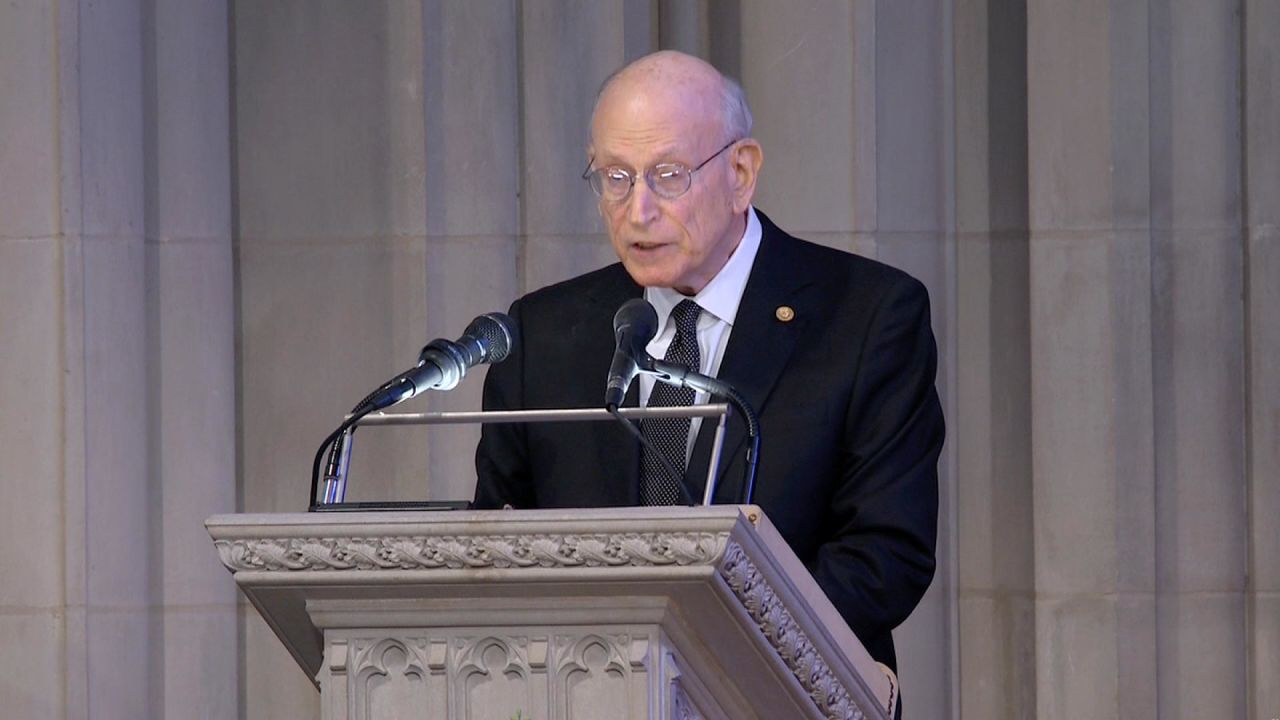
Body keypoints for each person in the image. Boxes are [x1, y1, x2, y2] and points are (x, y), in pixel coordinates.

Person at [473, 50, 943, 677]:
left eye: (668, 175)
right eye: (615, 177)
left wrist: (705, 651)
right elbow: (499, 543)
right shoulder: (542, 333)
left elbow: (885, 556)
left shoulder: (867, 317)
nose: (637, 211)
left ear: (741, 173)